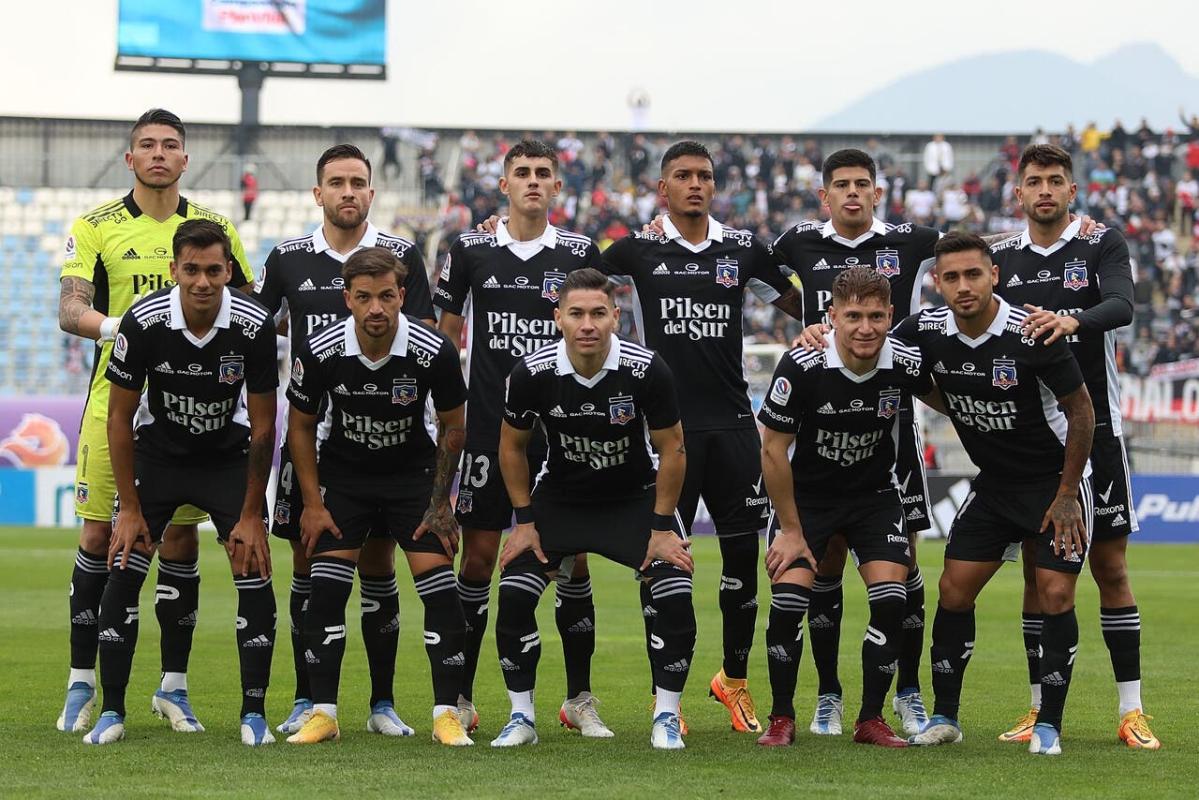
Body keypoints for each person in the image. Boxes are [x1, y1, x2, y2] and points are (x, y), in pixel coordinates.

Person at [56, 108, 254, 736]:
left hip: (189, 416)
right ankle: (82, 683)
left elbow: (248, 308)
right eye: (147, 145)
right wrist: (132, 327)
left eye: (171, 144)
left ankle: (173, 687)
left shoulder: (214, 228)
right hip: (112, 405)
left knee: (180, 543)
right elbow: (70, 310)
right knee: (99, 538)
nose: (159, 153)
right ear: (130, 158)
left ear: (185, 159)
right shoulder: (96, 226)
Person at [600, 140, 804, 734]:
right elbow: (571, 279)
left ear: (715, 186)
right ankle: (665, 698)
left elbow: (803, 303)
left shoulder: (741, 249)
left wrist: (822, 326)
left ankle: (732, 681)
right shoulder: (635, 250)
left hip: (734, 427)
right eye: (683, 175)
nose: (695, 184)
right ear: (663, 188)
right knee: (660, 560)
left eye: (704, 176)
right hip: (665, 433)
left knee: (743, 560)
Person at [254, 143, 435, 737]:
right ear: (319, 193)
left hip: (383, 439)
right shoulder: (287, 259)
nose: (348, 192)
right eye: (337, 183)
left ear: (371, 193)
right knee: (307, 560)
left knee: (379, 562)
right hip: (311, 439)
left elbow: (425, 339)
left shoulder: (402, 256)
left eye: (358, 182)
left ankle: (382, 703)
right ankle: (307, 699)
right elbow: (255, 329)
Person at [435, 140, 610, 736]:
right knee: (479, 558)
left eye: (543, 173)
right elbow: (446, 339)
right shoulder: (471, 249)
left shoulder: (578, 252)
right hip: (489, 430)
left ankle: (578, 699)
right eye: (522, 173)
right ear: (503, 184)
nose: (533, 181)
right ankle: (460, 698)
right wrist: (449, 421)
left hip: (562, 434)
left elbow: (596, 334)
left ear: (558, 186)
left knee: (574, 561)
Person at [896, 232, 1095, 756]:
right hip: (995, 485)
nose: (963, 286)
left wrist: (1067, 494)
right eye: (952, 277)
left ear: (994, 276)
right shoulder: (923, 331)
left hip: (1054, 484)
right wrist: (818, 334)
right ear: (937, 283)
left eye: (974, 274)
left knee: (1055, 593)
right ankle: (945, 717)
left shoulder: (1032, 333)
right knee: (954, 590)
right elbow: (869, 344)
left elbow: (1082, 411)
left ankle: (1048, 724)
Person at [989, 144, 1159, 749]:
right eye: (1034, 180)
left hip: (1098, 431)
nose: (1045, 190)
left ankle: (1131, 710)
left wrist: (1073, 320)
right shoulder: (999, 256)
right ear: (1018, 193)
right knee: (1038, 578)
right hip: (1032, 444)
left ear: (1071, 190)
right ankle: (1038, 707)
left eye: (1055, 180)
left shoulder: (1100, 242)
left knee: (1110, 568)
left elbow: (1123, 306)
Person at [84, 219, 278, 746]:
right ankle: (112, 710)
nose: (202, 282)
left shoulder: (254, 324)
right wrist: (128, 508)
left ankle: (254, 714)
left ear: (229, 271)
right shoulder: (143, 322)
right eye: (191, 270)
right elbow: (119, 418)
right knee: (124, 565)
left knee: (254, 565)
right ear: (174, 270)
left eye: (213, 270)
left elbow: (264, 426)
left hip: (226, 459)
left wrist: (251, 513)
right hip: (160, 459)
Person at [772, 148, 940, 737]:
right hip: (820, 448)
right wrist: (805, 321)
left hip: (892, 432)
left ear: (877, 192)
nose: (851, 192)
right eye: (840, 184)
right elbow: (746, 266)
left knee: (902, 572)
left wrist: (1068, 229)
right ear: (825, 195)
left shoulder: (910, 240)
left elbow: (978, 252)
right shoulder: (798, 242)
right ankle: (827, 696)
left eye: (861, 184)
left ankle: (907, 691)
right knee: (823, 569)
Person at [491, 268, 695, 750]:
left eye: (598, 313)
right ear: (558, 318)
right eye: (577, 314)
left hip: (634, 497)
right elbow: (511, 447)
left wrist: (661, 529)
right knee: (515, 594)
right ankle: (522, 717)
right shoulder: (531, 373)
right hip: (562, 498)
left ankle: (666, 715)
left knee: (675, 591)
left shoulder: (647, 369)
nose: (588, 324)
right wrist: (524, 522)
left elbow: (673, 448)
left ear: (615, 318)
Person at [283, 247, 474, 746]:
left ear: (402, 296)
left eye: (386, 296)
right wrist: (313, 504)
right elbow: (300, 427)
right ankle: (323, 714)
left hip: (412, 479)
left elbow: (454, 426)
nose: (376, 308)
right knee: (325, 592)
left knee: (442, 594)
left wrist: (440, 502)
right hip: (345, 479)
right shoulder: (320, 350)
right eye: (364, 297)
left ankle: (445, 715)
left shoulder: (434, 350)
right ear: (347, 298)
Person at [756, 266, 931, 749]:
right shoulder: (802, 364)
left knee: (892, 599)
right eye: (853, 316)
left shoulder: (904, 362)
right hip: (807, 502)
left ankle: (870, 718)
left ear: (891, 315)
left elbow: (951, 398)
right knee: (789, 603)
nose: (865, 328)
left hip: (874, 498)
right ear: (831, 316)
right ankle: (781, 717)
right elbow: (772, 449)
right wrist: (791, 531)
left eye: (876, 316)